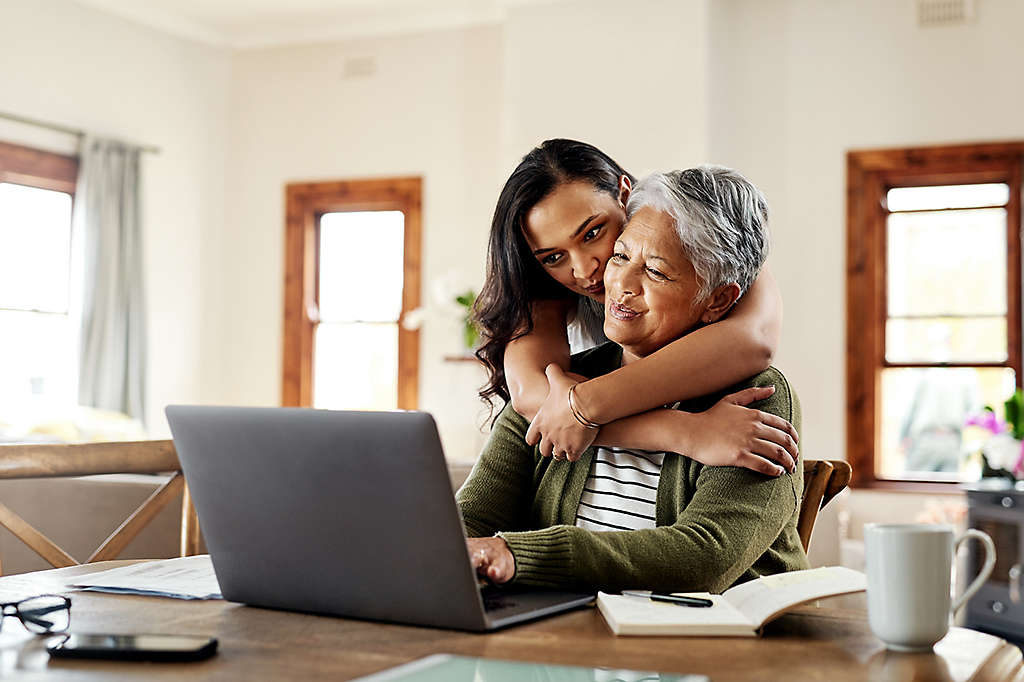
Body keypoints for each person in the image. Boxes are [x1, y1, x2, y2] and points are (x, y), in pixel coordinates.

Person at [457, 166, 808, 592]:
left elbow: (705, 558)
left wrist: (521, 555)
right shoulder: (561, 385)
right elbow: (469, 521)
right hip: (571, 644)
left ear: (718, 300)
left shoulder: (760, 396)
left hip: (711, 648)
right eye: (621, 256)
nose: (617, 283)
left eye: (657, 272)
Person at [474, 139, 798, 476]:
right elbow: (534, 398)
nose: (585, 270)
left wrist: (584, 405)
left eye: (592, 233)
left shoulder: (705, 238)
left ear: (624, 194)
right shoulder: (544, 290)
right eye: (554, 257)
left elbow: (753, 340)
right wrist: (683, 432)